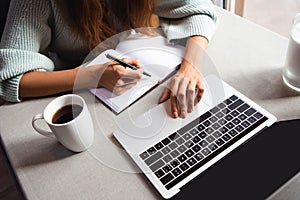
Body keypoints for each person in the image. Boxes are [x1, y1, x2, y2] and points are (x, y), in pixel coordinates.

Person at [0, 0, 218, 118]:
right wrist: (93, 76)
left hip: (132, 93)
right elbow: (12, 79)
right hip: (75, 93)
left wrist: (190, 67)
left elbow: (201, 10)